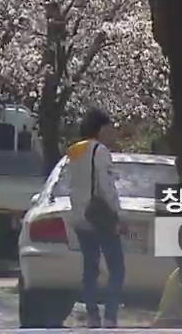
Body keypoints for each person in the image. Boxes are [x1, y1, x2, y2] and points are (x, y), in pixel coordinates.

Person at [66, 108, 124, 328]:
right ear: (100, 128)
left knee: (90, 267)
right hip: (101, 216)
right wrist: (116, 212)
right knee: (116, 267)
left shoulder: (74, 151)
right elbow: (105, 186)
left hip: (81, 216)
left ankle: (92, 315)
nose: (111, 133)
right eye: (109, 128)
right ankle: (110, 316)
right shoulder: (100, 151)